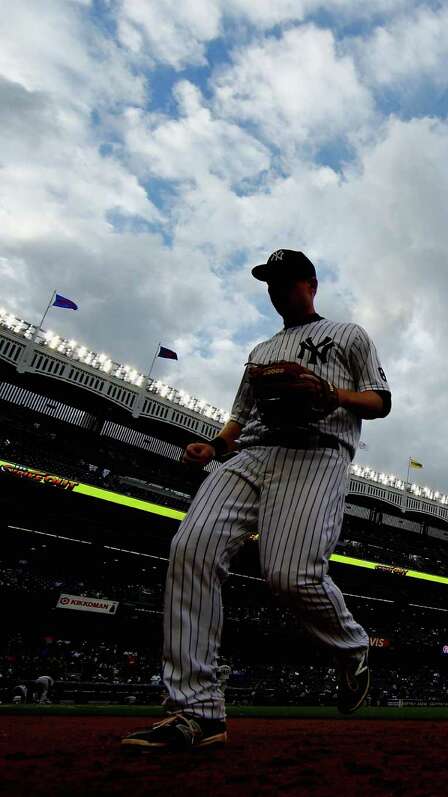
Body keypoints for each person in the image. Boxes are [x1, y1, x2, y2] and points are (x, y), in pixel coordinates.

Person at [122, 249, 391, 750]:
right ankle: (196, 710)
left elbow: (380, 401)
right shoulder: (261, 350)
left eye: (285, 282)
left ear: (311, 284)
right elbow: (239, 414)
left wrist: (333, 395)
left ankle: (352, 645)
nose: (276, 291)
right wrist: (216, 445)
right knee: (191, 549)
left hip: (316, 454)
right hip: (248, 455)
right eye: (269, 283)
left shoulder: (349, 335)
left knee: (290, 573)